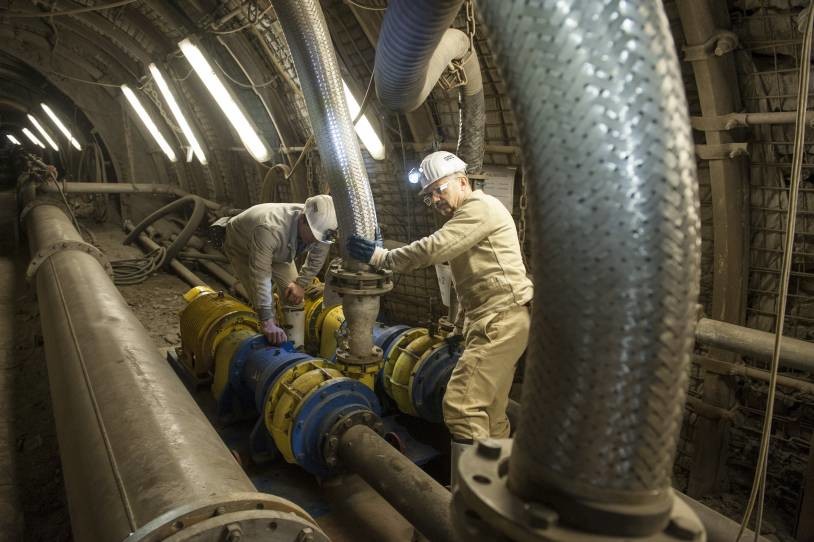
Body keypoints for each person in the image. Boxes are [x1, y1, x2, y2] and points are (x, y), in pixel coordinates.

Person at [346, 151, 533, 470]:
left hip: (502, 318)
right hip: (495, 319)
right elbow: (471, 282)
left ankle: (474, 496)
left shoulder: (479, 207)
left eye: (439, 189)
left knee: (461, 406)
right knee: (489, 411)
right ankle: (502, 486)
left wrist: (382, 258)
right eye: (429, 195)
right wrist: (460, 328)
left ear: (462, 182)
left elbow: (433, 248)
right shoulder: (466, 217)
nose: (434, 199)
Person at [223, 195, 337, 345]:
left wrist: (301, 284)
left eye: (319, 238)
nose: (316, 241)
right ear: (302, 220)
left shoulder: (321, 226)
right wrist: (267, 320)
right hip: (242, 247)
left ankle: (296, 347)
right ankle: (266, 338)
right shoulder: (269, 229)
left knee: (294, 298)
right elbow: (261, 277)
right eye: (314, 236)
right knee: (262, 305)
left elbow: (317, 256)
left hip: (279, 251)